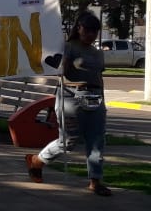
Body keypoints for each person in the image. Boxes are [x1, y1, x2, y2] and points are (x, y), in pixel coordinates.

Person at [25, 11, 111, 196]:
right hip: (71, 96)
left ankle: (95, 181)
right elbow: (60, 72)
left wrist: (103, 101)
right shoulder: (68, 47)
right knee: (68, 141)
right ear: (79, 28)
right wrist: (64, 65)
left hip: (95, 97)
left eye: (95, 31)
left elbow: (99, 77)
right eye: (87, 30)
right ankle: (37, 161)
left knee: (96, 140)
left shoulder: (97, 53)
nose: (91, 34)